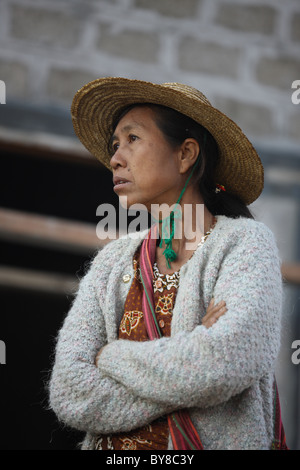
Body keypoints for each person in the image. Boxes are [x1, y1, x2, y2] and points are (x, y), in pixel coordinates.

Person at [49, 78, 287, 450]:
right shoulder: (112, 261)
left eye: (132, 139)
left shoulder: (244, 245)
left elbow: (228, 361)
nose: (115, 157)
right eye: (115, 145)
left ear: (185, 154)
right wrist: (192, 351)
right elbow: (69, 392)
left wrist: (110, 357)